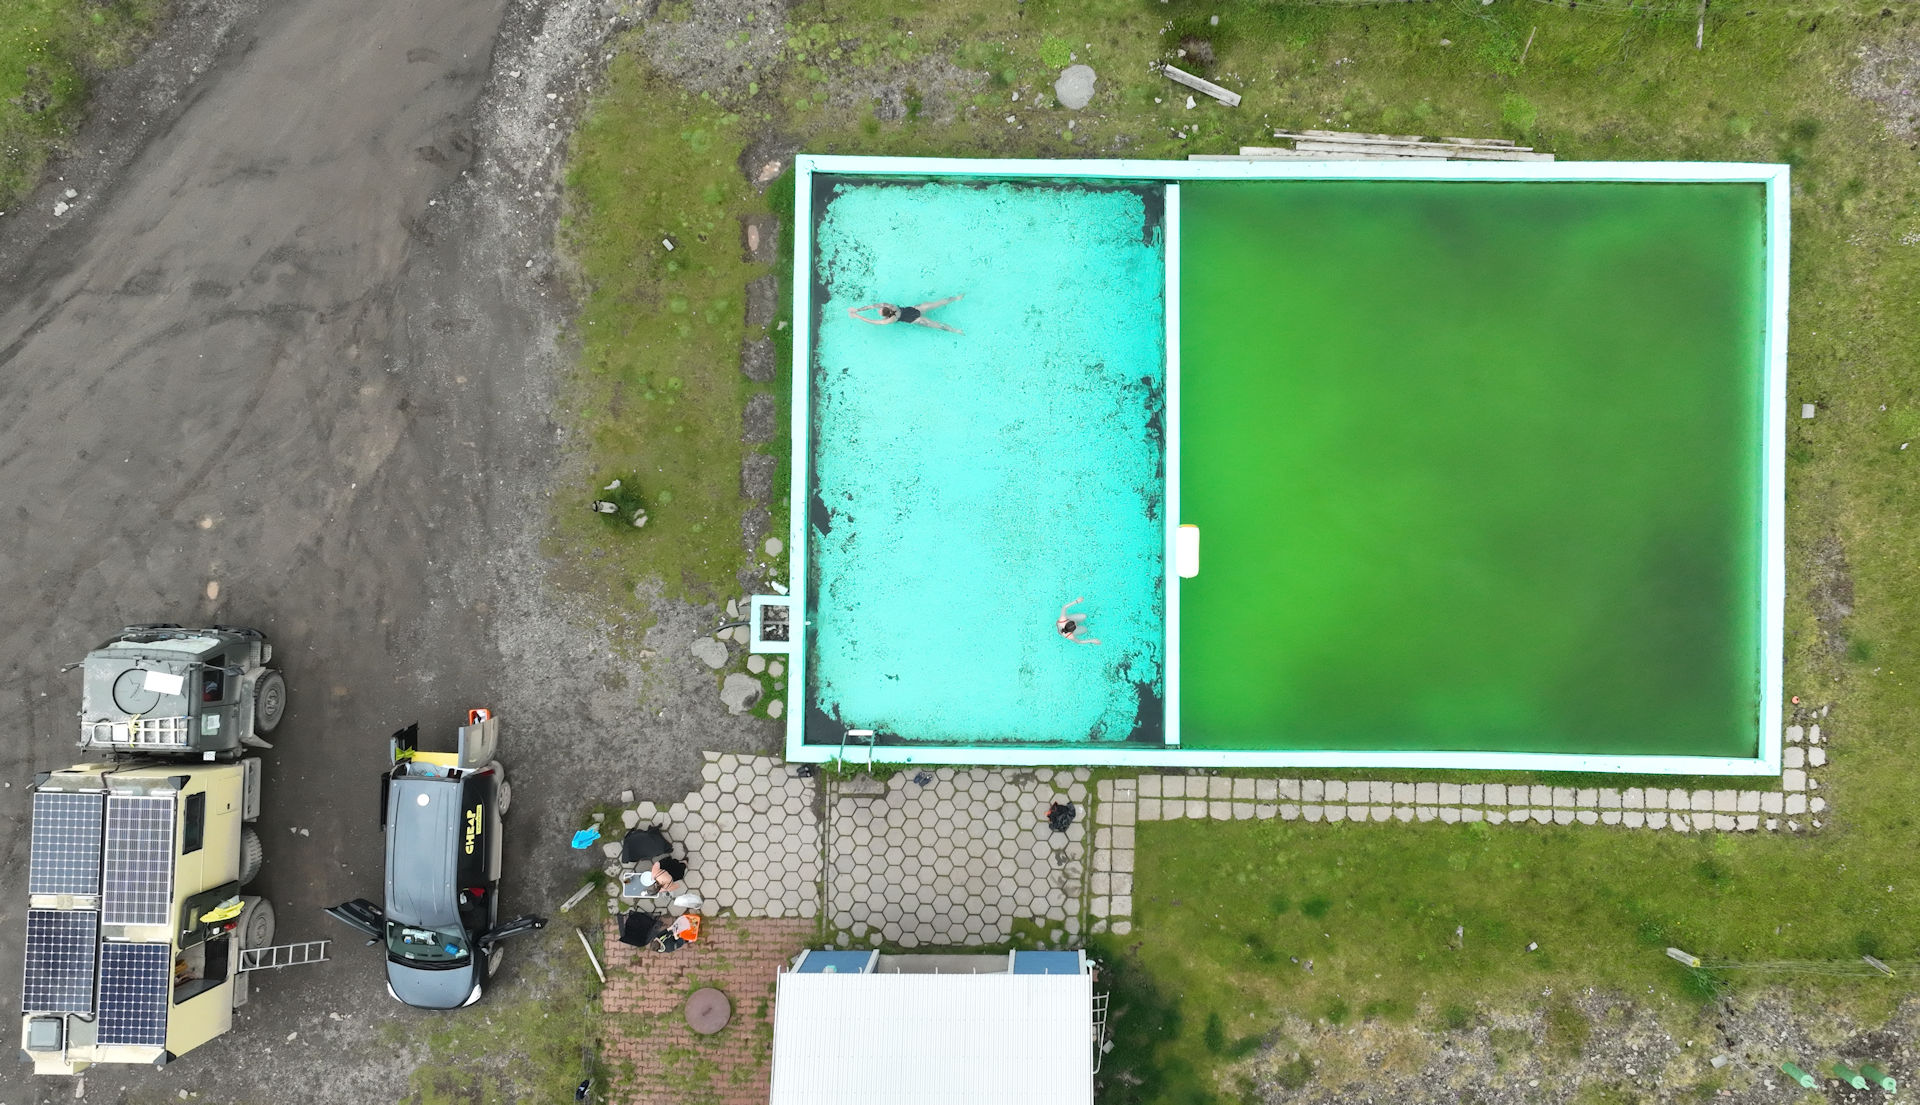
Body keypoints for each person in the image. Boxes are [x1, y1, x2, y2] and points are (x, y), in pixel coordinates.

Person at [847, 294, 964, 333]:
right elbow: (874, 306)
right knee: (938, 303)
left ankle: (956, 331)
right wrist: (857, 310)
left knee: (939, 326)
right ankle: (957, 298)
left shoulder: (890, 320)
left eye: (880, 311)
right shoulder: (891, 306)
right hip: (916, 309)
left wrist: (857, 314)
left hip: (917, 320)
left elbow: (873, 321)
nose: (878, 309)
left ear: (885, 315)